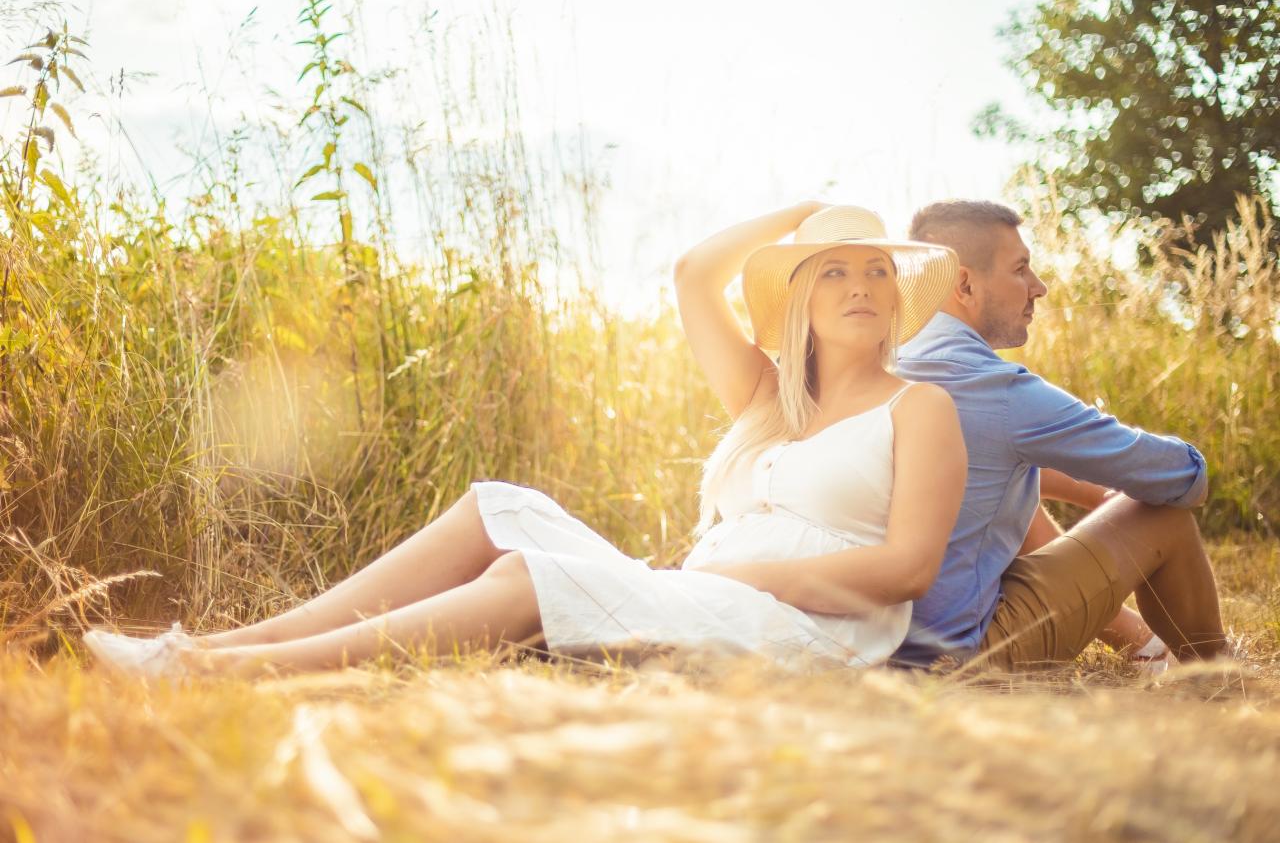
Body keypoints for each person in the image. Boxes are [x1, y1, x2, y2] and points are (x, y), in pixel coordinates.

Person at [83, 203, 967, 679]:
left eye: (876, 270)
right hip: (706, 598)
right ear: (801, 298)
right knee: (498, 508)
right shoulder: (767, 399)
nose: (860, 285)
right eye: (834, 271)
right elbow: (695, 273)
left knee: (530, 574)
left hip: (807, 634)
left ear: (897, 297)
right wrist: (809, 210)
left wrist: (740, 576)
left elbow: (907, 569)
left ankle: (226, 674)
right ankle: (216, 644)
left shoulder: (918, 407)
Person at [890, 199, 1227, 671]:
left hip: (878, 644)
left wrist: (1090, 490)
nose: (1039, 287)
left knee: (1002, 480)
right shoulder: (998, 390)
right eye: (1020, 269)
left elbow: (982, 460)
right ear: (965, 284)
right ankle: (1219, 676)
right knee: (1162, 515)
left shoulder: (887, 362)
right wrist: (1177, 470)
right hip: (958, 657)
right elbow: (1177, 478)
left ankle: (1143, 645)